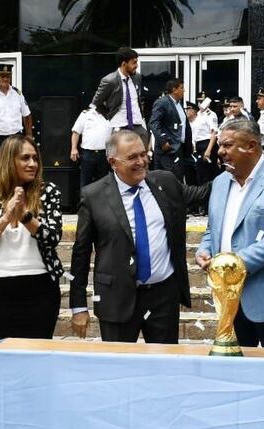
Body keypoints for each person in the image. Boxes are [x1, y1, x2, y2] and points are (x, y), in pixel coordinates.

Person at [70, 130, 210, 343]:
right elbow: (80, 254)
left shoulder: (165, 182)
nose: (141, 161)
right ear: (113, 162)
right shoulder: (93, 195)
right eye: (132, 157)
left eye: (143, 154)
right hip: (117, 298)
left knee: (164, 368)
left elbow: (200, 194)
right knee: (119, 369)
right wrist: (78, 306)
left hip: (163, 297)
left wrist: (236, 173)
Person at [196, 118, 264, 348]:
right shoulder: (220, 183)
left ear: (251, 146)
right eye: (220, 145)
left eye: (227, 145)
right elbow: (214, 227)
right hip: (230, 301)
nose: (220, 152)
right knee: (236, 375)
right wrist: (205, 249)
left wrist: (230, 265)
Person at [0, 136, 64, 341]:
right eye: (25, 158)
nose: (33, 164)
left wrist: (25, 217)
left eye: (35, 158)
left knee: (39, 354)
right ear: (9, 161)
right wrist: (5, 218)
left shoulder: (48, 192)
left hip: (41, 288)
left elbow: (53, 238)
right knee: (4, 354)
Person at [92, 47, 148, 146]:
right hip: (119, 126)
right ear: (124, 63)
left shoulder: (137, 77)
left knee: (142, 157)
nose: (136, 65)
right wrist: (109, 116)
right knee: (122, 158)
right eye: (134, 63)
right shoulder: (110, 80)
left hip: (138, 125)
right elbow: (96, 103)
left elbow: (137, 100)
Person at [149, 78, 189, 181]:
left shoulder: (178, 104)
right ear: (174, 89)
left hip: (179, 148)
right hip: (167, 149)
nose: (184, 90)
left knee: (178, 179)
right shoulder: (162, 102)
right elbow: (153, 123)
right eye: (182, 88)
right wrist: (163, 142)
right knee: (167, 181)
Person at [70, 105, 112, 193]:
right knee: (85, 183)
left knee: (103, 183)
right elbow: (76, 132)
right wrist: (74, 148)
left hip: (105, 154)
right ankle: (85, 206)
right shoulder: (86, 114)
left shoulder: (111, 114)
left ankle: (101, 205)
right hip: (88, 154)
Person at [192, 93, 219, 188]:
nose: (200, 104)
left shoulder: (211, 114)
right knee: (200, 174)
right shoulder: (198, 115)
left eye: (202, 102)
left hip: (207, 144)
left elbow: (214, 133)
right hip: (198, 145)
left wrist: (208, 150)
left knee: (208, 174)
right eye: (199, 102)